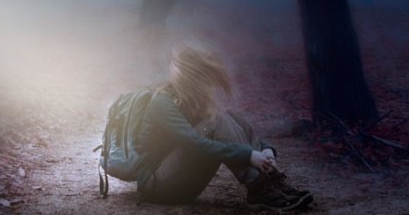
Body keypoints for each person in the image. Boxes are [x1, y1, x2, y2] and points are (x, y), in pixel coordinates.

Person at [132, 43, 313, 211]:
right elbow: (194, 144)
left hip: (179, 182)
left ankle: (269, 181)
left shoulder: (189, 100)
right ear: (191, 78)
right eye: (204, 78)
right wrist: (248, 155)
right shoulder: (162, 103)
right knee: (216, 119)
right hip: (158, 186)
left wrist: (266, 151)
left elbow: (237, 128)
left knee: (228, 116)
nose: (209, 85)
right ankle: (258, 187)